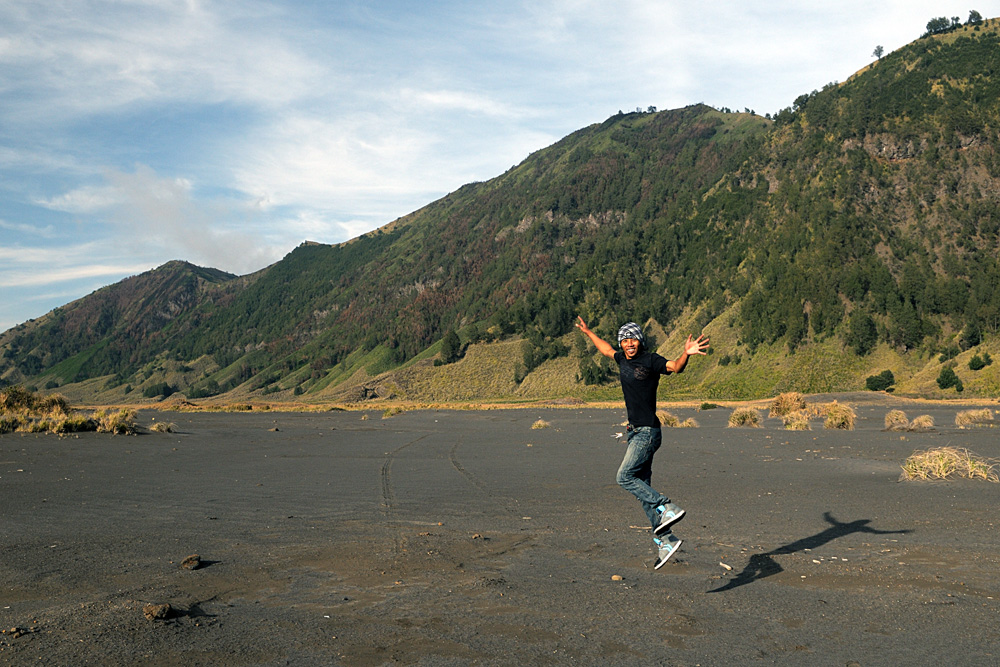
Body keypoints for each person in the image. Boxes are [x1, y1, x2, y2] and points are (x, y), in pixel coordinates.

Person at [575, 316, 710, 569]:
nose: (628, 344)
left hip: (648, 433)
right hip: (635, 432)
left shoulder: (650, 360)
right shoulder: (621, 359)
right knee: (642, 489)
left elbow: (674, 367)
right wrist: (589, 332)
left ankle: (666, 506)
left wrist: (686, 354)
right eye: (624, 340)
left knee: (624, 477)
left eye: (633, 339)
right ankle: (665, 540)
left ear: (640, 341)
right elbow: (605, 349)